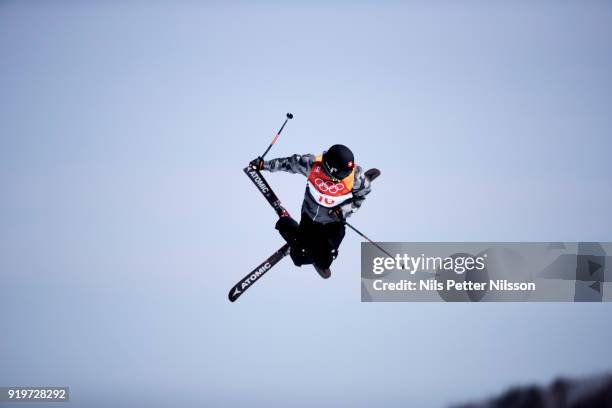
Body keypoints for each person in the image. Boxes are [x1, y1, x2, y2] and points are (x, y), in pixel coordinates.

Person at [249, 144, 372, 275]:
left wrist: (344, 210)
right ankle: (287, 225)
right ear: (331, 168)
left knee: (326, 262)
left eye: (347, 172)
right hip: (310, 221)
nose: (345, 176)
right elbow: (288, 163)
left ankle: (302, 245)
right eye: (341, 174)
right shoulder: (312, 164)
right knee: (298, 258)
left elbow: (362, 195)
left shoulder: (356, 177)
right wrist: (263, 165)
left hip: (334, 223)